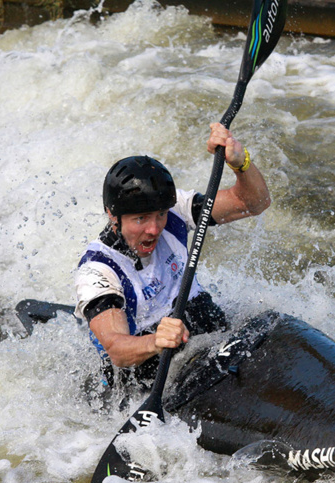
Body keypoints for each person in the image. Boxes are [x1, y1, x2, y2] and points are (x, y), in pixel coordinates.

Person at [74, 123, 271, 402]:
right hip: (153, 372)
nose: (154, 229)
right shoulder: (97, 271)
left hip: (204, 335)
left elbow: (255, 202)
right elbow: (117, 350)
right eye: (140, 219)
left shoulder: (175, 211)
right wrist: (156, 341)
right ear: (112, 215)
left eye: (159, 215)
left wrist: (241, 163)